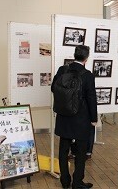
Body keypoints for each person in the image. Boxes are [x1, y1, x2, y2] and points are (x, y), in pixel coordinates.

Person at [51, 45, 97, 189]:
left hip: (64, 115)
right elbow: (91, 98)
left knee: (64, 148)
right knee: (81, 151)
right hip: (81, 118)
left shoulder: (62, 70)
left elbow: (53, 88)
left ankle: (65, 181)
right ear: (86, 58)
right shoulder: (87, 75)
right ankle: (77, 182)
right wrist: (94, 118)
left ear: (74, 55)